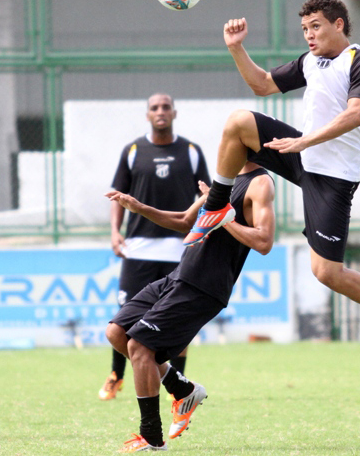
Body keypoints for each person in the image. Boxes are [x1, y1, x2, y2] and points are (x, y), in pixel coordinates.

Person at [181, 0, 360, 369]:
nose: (309, 36)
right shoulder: (311, 61)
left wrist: (305, 140)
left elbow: (356, 114)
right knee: (238, 123)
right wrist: (236, 48)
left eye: (316, 27)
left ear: (338, 25)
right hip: (302, 156)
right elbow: (262, 84)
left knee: (326, 272)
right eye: (304, 29)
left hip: (334, 179)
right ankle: (216, 206)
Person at [105, 161, 275, 451]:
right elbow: (185, 220)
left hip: (204, 286)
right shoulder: (225, 180)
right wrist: (138, 207)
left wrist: (226, 219)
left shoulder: (261, 184)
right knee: (117, 333)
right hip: (180, 275)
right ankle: (182, 388)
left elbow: (264, 241)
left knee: (139, 347)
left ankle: (151, 438)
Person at [100, 92, 210, 400]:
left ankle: (180, 382)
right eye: (154, 108)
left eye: (165, 107)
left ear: (175, 112)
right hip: (138, 248)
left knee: (179, 318)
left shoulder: (190, 151)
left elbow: (208, 195)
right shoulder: (134, 150)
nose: (160, 111)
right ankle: (116, 376)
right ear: (147, 114)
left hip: (178, 247)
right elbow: (117, 195)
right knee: (125, 316)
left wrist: (200, 232)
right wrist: (114, 231)